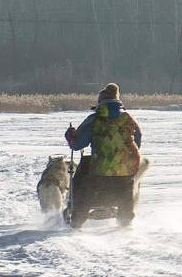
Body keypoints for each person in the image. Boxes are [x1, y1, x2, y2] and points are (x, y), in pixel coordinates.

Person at [62, 83, 145, 226]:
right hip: (126, 170)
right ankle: (126, 218)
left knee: (85, 178)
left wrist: (70, 135)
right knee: (125, 183)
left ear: (100, 102)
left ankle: (78, 218)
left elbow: (77, 145)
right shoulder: (129, 118)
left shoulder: (94, 119)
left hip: (100, 171)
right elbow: (137, 140)